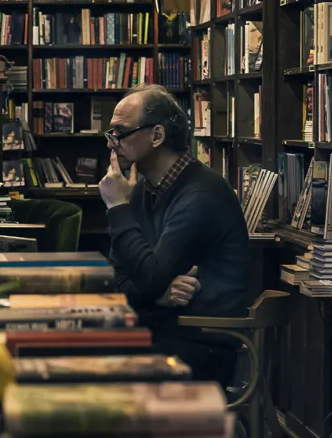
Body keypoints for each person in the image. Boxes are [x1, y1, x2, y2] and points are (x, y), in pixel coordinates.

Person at [99, 84, 252, 387]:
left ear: (157, 136)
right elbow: (114, 280)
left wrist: (117, 206)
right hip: (163, 330)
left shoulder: (202, 193)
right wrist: (159, 296)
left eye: (120, 133)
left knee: (95, 375)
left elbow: (149, 274)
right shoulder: (142, 190)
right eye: (110, 134)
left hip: (201, 346)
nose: (111, 144)